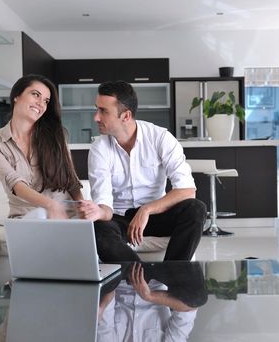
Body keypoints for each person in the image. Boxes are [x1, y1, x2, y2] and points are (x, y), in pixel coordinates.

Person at [77, 80, 206, 262]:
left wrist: (146, 210)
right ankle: (141, 278)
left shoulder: (160, 138)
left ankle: (174, 274)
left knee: (196, 209)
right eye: (97, 109)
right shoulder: (99, 148)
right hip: (119, 218)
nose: (96, 117)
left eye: (103, 111)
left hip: (155, 215)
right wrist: (97, 212)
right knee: (98, 230)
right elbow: (105, 206)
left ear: (126, 116)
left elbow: (187, 190)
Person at [0, 74, 83, 219]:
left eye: (46, 101)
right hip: (26, 218)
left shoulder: (56, 135)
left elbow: (70, 179)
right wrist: (50, 205)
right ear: (16, 95)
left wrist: (83, 204)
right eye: (36, 95)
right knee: (38, 219)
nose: (41, 104)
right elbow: (16, 185)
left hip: (65, 216)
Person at [97, 261, 207, 341]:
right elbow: (189, 308)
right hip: (157, 276)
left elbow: (108, 290)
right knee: (197, 298)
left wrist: (101, 308)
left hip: (122, 275)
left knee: (102, 238)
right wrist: (149, 296)